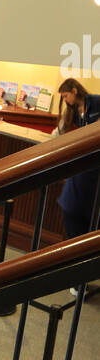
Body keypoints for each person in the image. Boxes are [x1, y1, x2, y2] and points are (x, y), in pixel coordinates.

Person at [52, 78, 100, 243]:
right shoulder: (71, 111)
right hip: (79, 180)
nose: (65, 100)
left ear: (74, 91)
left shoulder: (96, 102)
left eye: (66, 96)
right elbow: (59, 131)